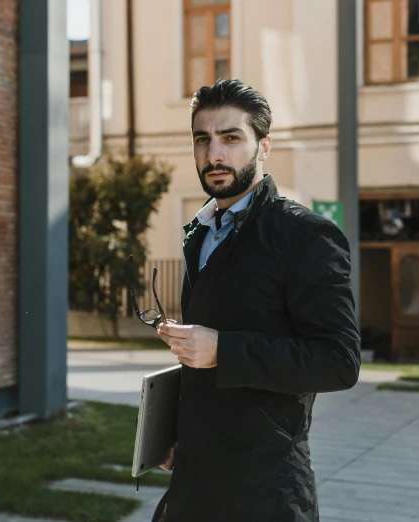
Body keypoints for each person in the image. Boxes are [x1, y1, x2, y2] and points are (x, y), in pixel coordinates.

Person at [153, 79, 361, 521]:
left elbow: (339, 360)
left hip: (266, 491)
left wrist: (222, 350)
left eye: (231, 138)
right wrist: (178, 430)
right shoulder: (200, 232)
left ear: (263, 146)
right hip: (194, 482)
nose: (214, 155)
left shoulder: (306, 237)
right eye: (202, 140)